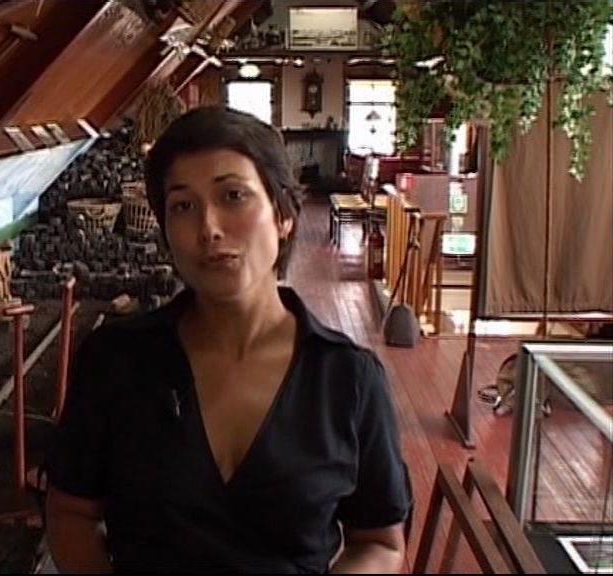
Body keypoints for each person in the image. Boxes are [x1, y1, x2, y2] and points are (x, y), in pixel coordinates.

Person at [44, 106, 412, 574]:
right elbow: (70, 513)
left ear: (283, 215)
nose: (209, 229)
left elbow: (379, 541)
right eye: (183, 206)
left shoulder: (347, 380)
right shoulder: (116, 362)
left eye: (233, 196)